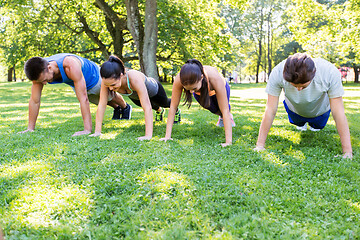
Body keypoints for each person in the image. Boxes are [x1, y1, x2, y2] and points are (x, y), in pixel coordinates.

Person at [255, 53, 352, 158]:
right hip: (294, 110)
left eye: (303, 86)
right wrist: (260, 145)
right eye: (294, 85)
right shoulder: (277, 72)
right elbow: (270, 110)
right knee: (298, 122)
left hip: (320, 112)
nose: (298, 90)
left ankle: (313, 125)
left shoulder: (329, 72)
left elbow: (339, 113)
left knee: (317, 126)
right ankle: (301, 124)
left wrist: (347, 152)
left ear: (314, 74)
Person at [18, 53, 132, 136]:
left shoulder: (69, 65)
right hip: (77, 82)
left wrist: (87, 130)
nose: (44, 83)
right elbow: (34, 101)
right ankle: (117, 108)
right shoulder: (39, 72)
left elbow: (83, 99)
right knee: (97, 101)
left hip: (94, 77)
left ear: (49, 68)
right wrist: (30, 128)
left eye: (44, 80)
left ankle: (125, 107)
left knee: (109, 96)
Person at [90, 55, 176, 140]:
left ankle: (176, 110)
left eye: (113, 85)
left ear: (121, 75)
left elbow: (147, 107)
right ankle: (159, 111)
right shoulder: (107, 82)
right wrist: (97, 132)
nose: (110, 88)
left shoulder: (134, 78)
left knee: (164, 103)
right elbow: (101, 105)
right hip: (135, 96)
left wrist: (148, 135)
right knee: (153, 106)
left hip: (154, 90)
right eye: (107, 85)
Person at [160, 59, 235, 147]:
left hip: (221, 87)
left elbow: (225, 109)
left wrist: (228, 142)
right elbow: (173, 107)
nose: (191, 92)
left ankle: (228, 118)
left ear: (201, 78)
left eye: (194, 88)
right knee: (213, 109)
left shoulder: (214, 78)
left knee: (224, 109)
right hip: (201, 92)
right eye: (188, 90)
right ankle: (221, 117)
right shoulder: (179, 79)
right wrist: (167, 137)